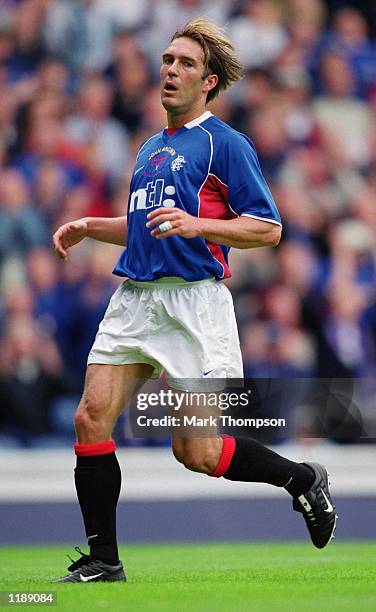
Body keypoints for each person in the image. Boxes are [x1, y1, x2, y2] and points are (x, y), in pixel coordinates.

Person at [52, 19, 337, 583]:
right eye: (167, 59)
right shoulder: (150, 148)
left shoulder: (224, 143)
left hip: (194, 309)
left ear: (208, 82)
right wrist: (92, 225)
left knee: (198, 453)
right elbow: (145, 225)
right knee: (90, 417)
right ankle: (104, 560)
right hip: (136, 300)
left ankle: (302, 479)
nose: (169, 70)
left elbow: (268, 228)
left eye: (184, 63)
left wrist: (198, 224)